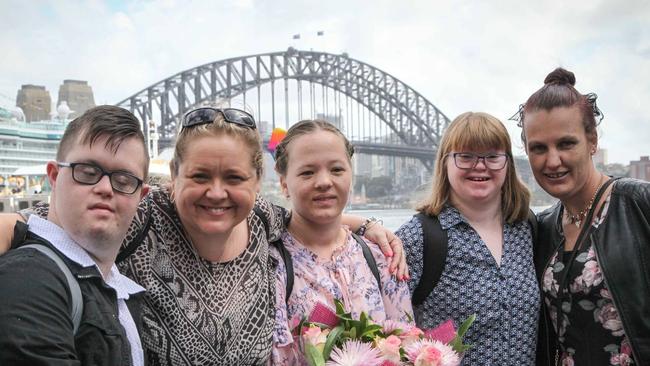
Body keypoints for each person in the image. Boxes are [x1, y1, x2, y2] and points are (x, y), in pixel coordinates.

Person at [0, 106, 406, 365]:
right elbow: (43, 224)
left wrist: (369, 226)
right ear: (172, 179)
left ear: (257, 181)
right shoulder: (140, 215)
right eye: (198, 176)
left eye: (233, 178)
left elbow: (315, 218)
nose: (216, 193)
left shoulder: (263, 220)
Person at [516, 67, 650, 366]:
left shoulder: (637, 204)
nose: (552, 161)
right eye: (538, 148)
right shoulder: (544, 227)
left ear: (592, 141)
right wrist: (385, 234)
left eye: (566, 143)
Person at [0, 105, 150, 365]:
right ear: (55, 176)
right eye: (88, 172)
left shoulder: (109, 285)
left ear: (141, 196)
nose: (105, 188)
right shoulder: (31, 280)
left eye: (124, 181)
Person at [397, 112, 540, 365]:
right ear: (445, 163)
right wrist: (364, 225)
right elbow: (388, 329)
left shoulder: (527, 228)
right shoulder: (419, 238)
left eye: (493, 156)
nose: (480, 165)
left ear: (507, 163)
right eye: (465, 156)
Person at [270, 120, 414, 364]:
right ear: (284, 184)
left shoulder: (379, 256)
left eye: (336, 170)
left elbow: (408, 343)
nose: (324, 181)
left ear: (351, 175)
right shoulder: (271, 265)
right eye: (307, 172)